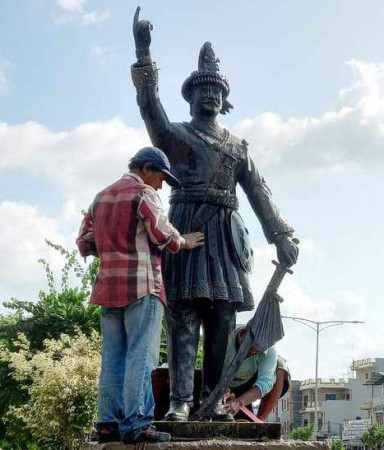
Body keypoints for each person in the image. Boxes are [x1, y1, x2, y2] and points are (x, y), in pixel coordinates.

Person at [131, 8, 299, 422]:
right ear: (189, 96)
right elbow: (150, 107)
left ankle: (216, 400)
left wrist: (280, 234)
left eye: (217, 90)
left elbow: (258, 190)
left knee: (223, 319)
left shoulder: (238, 147)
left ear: (224, 99)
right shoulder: (175, 136)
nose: (210, 95)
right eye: (201, 89)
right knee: (184, 316)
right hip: (186, 225)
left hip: (226, 233)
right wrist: (143, 51)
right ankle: (181, 401)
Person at [76, 146, 204, 443]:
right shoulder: (143, 194)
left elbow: (84, 242)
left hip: (108, 288)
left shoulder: (101, 197)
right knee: (141, 358)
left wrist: (113, 252)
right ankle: (137, 423)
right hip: (143, 287)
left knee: (113, 358)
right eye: (160, 176)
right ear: (146, 168)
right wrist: (184, 241)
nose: (160, 184)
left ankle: (108, 423)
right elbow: (163, 235)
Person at [223, 326, 290, 421]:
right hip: (223, 383)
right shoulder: (226, 337)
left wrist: (240, 401)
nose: (254, 351)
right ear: (242, 334)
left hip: (248, 385)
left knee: (280, 365)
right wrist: (223, 390)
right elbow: (212, 369)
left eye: (259, 349)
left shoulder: (269, 349)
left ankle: (259, 420)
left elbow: (266, 381)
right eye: (250, 347)